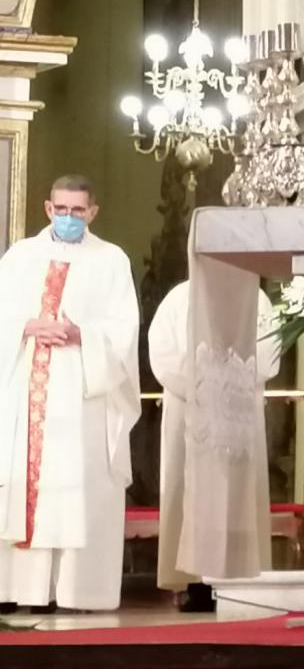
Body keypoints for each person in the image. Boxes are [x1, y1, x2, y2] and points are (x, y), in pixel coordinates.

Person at [0, 175, 140, 613]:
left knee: (79, 487)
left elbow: (124, 329)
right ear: (47, 209)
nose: (68, 218)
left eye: (77, 211)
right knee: (24, 485)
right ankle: (18, 590)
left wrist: (84, 334)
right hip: (26, 392)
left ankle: (75, 592)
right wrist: (26, 325)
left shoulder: (111, 260)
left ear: (92, 213)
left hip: (82, 394)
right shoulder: (20, 256)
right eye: (61, 210)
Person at [149, 280, 281, 612]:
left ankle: (241, 581)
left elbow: (270, 352)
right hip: (189, 407)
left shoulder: (257, 300)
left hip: (239, 408)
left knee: (236, 495)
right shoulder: (178, 298)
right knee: (189, 492)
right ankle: (192, 584)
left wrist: (229, 377)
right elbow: (162, 354)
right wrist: (203, 380)